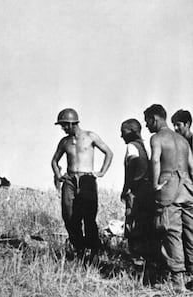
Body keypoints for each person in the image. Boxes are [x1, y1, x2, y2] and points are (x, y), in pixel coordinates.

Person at [144, 104, 193, 292]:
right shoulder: (182, 140)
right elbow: (192, 166)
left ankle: (177, 280)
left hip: (168, 188)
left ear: (154, 119)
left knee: (171, 232)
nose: (147, 126)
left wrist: (155, 184)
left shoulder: (156, 138)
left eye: (147, 121)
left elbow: (155, 160)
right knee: (190, 232)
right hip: (187, 189)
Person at [51, 108, 113, 256]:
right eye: (62, 125)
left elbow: (108, 153)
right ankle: (79, 247)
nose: (63, 128)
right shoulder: (64, 142)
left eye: (65, 125)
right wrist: (59, 175)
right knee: (69, 215)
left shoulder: (90, 136)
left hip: (87, 180)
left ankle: (93, 249)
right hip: (70, 181)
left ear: (72, 123)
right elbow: (54, 161)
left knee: (89, 217)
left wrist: (102, 172)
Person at [120, 118, 156, 265]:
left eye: (124, 132)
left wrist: (126, 188)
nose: (121, 136)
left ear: (132, 132)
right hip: (148, 190)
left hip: (137, 190)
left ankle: (137, 259)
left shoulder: (131, 147)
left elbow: (133, 167)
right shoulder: (147, 146)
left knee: (133, 222)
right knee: (146, 223)